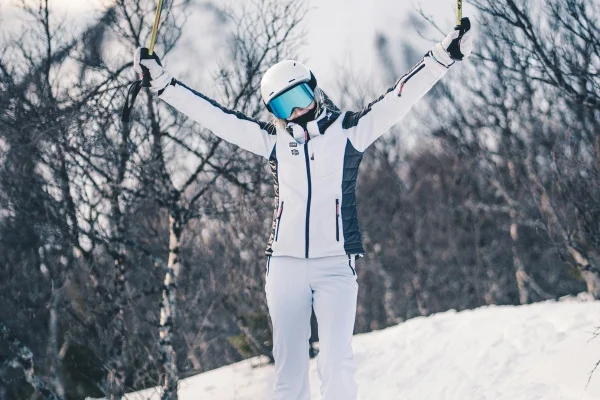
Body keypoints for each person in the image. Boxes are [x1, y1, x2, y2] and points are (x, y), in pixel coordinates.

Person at [134, 17, 473, 400]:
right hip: (285, 265)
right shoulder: (273, 142)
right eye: (283, 106)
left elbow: (399, 98)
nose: (295, 112)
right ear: (274, 112)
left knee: (337, 364)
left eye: (299, 98)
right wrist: (162, 84)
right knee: (289, 374)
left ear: (314, 91)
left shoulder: (349, 131)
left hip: (335, 266)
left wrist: (443, 56)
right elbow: (217, 118)